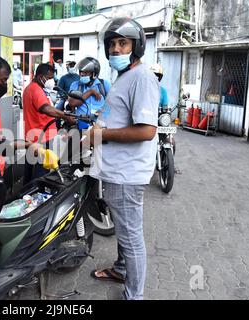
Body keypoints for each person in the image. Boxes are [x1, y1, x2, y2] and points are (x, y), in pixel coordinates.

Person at [86, 17, 159, 300]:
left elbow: (147, 130)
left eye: (123, 43)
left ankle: (135, 295)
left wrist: (102, 135)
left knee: (131, 238)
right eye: (112, 44)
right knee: (123, 227)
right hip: (116, 170)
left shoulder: (142, 78)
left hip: (126, 174)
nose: (116, 49)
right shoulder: (125, 77)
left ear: (136, 46)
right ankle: (121, 268)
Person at [22, 63, 74, 183]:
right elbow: (46, 109)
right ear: (41, 76)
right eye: (49, 78)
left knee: (30, 170)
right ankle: (36, 195)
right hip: (42, 138)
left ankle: (26, 193)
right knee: (41, 172)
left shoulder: (32, 88)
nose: (51, 81)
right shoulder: (35, 90)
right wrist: (66, 117)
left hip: (34, 136)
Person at [69, 57, 111, 130]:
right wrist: (90, 92)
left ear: (94, 73)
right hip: (81, 123)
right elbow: (72, 103)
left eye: (85, 72)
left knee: (97, 140)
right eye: (81, 71)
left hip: (100, 124)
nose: (82, 74)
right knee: (80, 140)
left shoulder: (104, 84)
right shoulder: (75, 85)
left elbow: (112, 103)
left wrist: (104, 114)